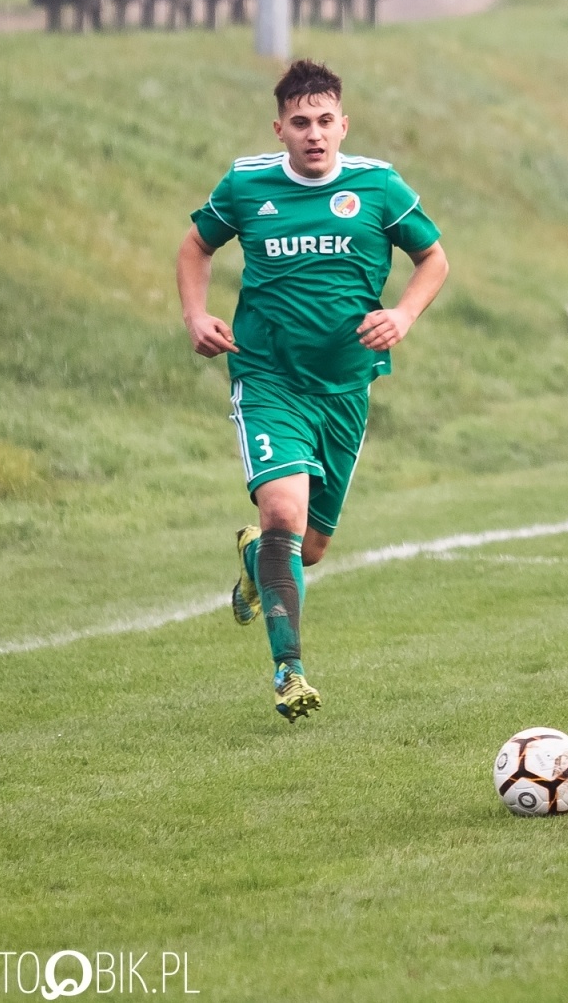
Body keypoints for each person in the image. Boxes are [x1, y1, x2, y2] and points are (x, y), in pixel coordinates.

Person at [176, 59, 449, 721]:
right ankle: (289, 670)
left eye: (325, 121)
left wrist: (404, 314)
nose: (314, 134)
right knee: (284, 518)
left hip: (346, 389)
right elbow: (194, 247)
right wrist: (196, 314)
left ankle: (253, 556)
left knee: (312, 547)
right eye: (300, 123)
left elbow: (433, 258)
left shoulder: (378, 186)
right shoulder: (247, 184)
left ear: (343, 124)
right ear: (281, 129)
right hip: (267, 377)